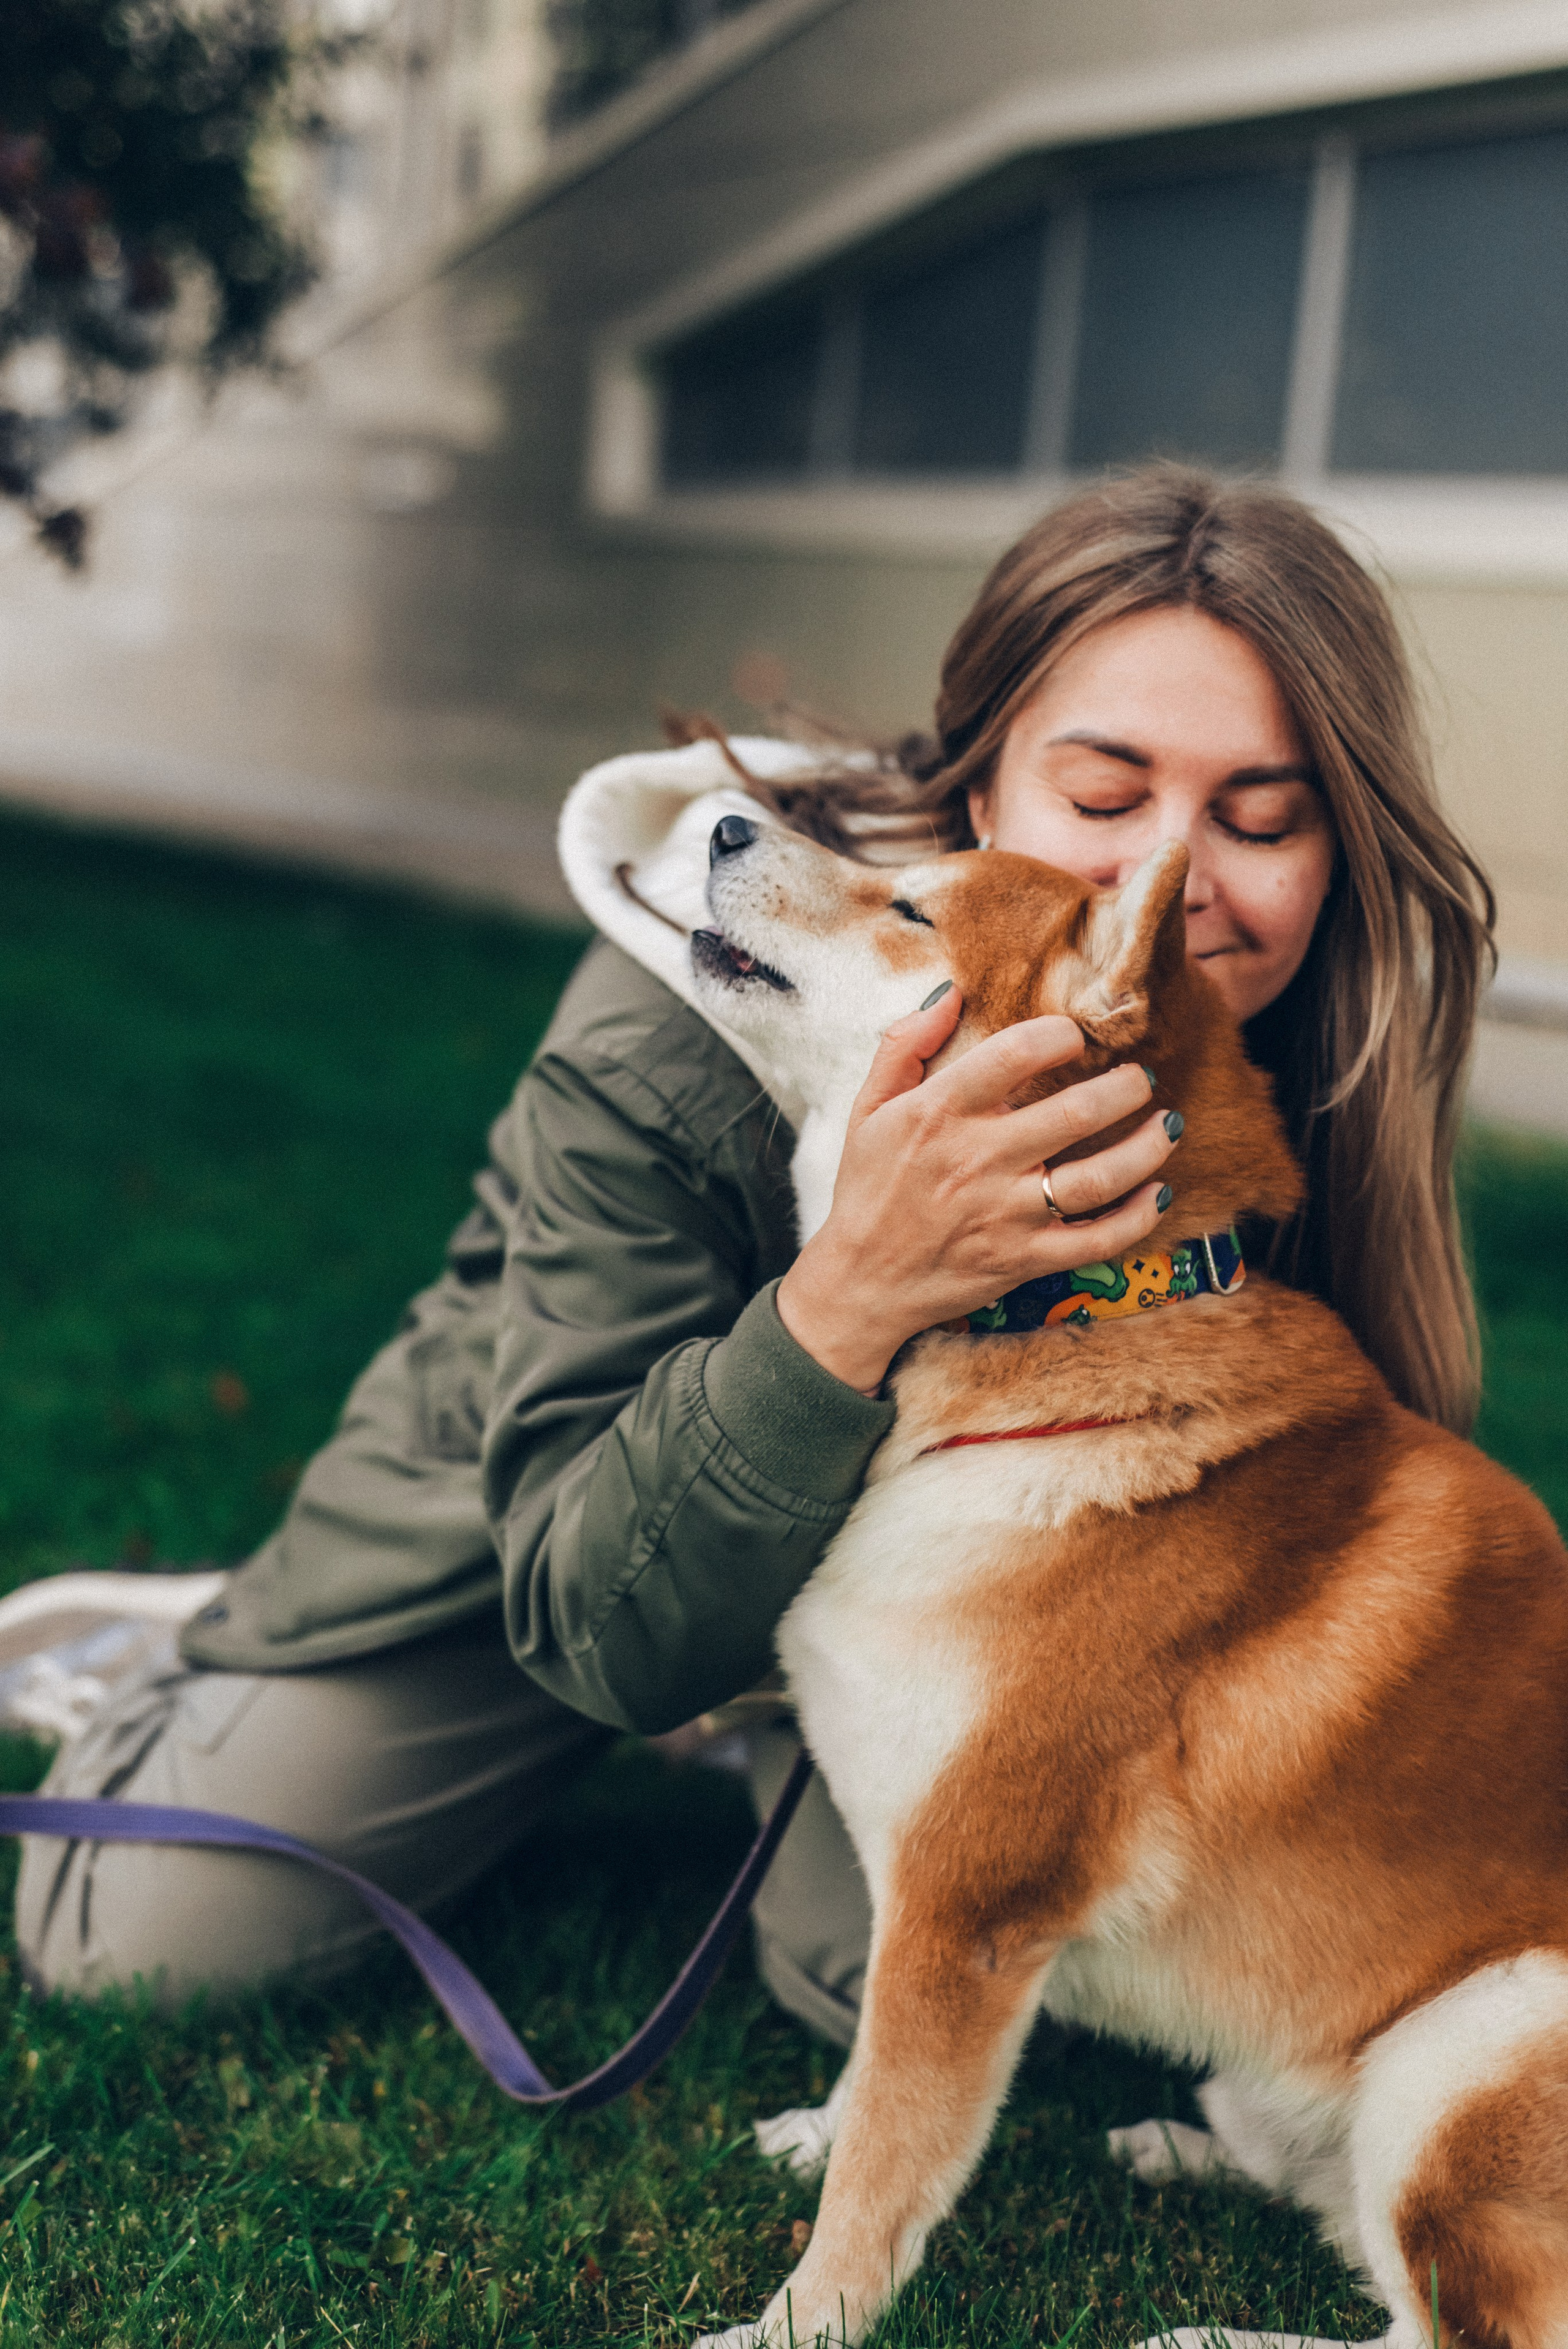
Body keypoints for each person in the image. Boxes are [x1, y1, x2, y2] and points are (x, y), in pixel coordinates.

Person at [15, 467, 1494, 2045]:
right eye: (1109, 797)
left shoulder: (1301, 1061)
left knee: (887, 1978)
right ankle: (154, 1660)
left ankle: (773, 1702)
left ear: (1335, 854)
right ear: (981, 787)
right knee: (145, 1945)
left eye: (1263, 819)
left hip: (951, 1566)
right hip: (566, 1529)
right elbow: (600, 1623)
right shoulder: (690, 1003)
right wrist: (860, 1288)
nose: (1172, 882)